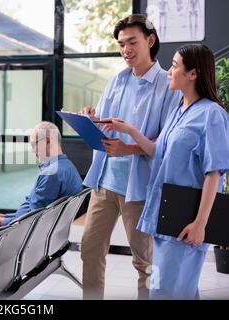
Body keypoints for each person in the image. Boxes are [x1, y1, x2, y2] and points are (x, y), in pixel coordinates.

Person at [103, 44, 229, 299]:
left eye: (174, 65)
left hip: (187, 220)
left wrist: (200, 224)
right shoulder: (178, 111)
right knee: (172, 288)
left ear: (193, 74)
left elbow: (214, 173)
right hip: (165, 215)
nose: (169, 72)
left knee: (169, 290)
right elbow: (156, 150)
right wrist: (129, 131)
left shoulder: (212, 114)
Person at [78, 14, 181, 300]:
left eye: (132, 42)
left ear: (150, 40)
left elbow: (168, 142)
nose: (126, 50)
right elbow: (104, 124)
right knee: (89, 249)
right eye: (122, 44)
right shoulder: (117, 81)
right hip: (105, 182)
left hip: (138, 189)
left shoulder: (167, 85)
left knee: (144, 261)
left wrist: (131, 148)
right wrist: (91, 118)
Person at [0, 122, 83, 249]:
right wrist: (6, 218)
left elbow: (32, 219)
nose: (33, 150)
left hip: (23, 238)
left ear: (47, 141)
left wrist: (2, 222)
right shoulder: (68, 167)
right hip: (42, 233)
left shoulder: (51, 174)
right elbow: (36, 210)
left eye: (34, 144)